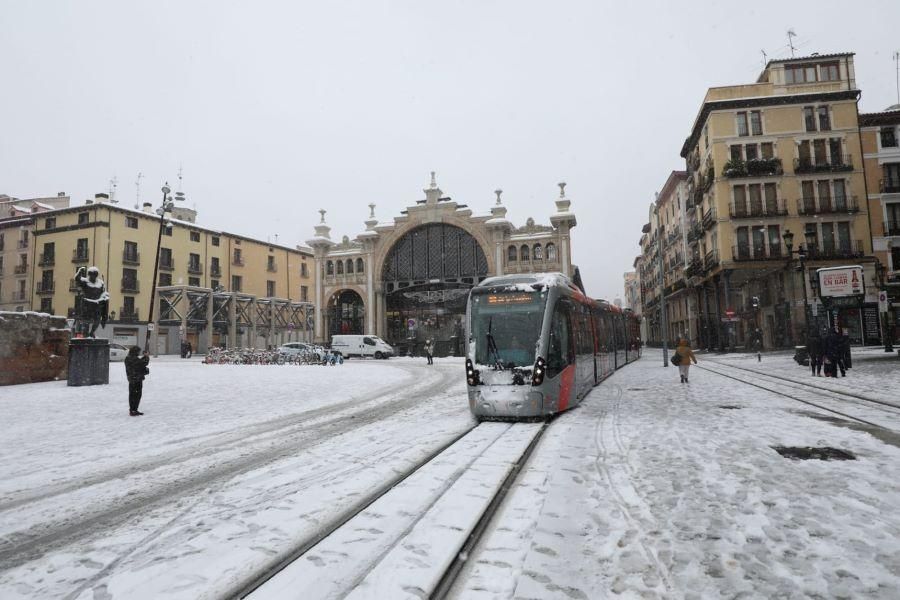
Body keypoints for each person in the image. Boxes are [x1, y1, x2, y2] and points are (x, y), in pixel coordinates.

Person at [124, 346, 150, 416]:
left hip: (132, 379)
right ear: (135, 352)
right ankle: (133, 410)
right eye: (138, 351)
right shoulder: (133, 359)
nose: (139, 353)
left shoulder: (128, 358)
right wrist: (146, 356)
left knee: (133, 395)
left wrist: (144, 357)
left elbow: (139, 362)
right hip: (136, 379)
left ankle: (133, 410)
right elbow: (143, 363)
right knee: (136, 395)